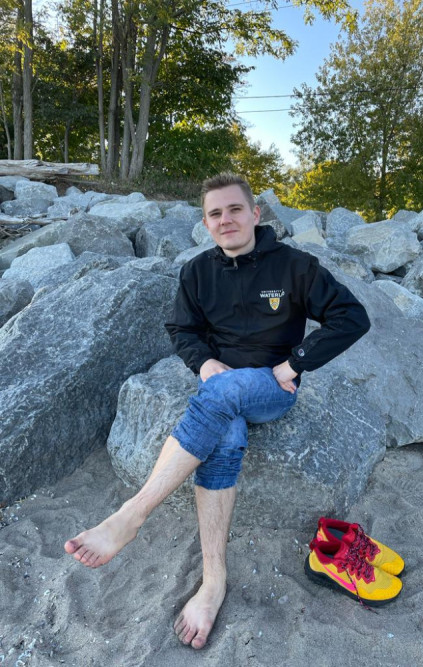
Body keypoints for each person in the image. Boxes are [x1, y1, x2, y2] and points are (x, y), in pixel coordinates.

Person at [64, 173, 370, 649]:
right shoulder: (196, 272)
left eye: (234, 209)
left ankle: (133, 514)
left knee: (225, 394)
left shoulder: (295, 266)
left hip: (270, 388)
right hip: (219, 386)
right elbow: (182, 329)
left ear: (255, 214)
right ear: (206, 224)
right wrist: (204, 363)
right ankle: (213, 581)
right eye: (215, 213)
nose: (225, 220)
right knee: (225, 434)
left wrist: (296, 363)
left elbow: (352, 317)